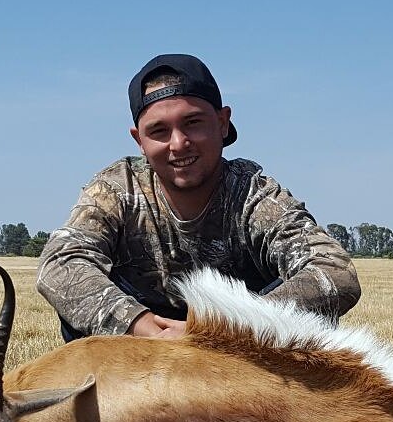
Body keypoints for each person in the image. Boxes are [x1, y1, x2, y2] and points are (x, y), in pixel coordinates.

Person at [37, 54, 361, 341]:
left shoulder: (253, 193)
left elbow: (335, 273)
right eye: (159, 131)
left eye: (193, 123)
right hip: (139, 350)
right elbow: (60, 265)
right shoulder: (117, 188)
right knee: (78, 311)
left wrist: (222, 327)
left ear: (222, 122)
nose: (178, 144)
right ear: (139, 140)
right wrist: (139, 325)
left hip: (234, 350)